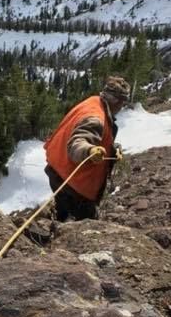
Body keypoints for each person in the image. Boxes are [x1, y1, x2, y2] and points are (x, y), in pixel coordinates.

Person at [43, 76, 131, 223]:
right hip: (74, 184)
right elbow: (77, 144)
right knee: (86, 223)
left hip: (58, 171)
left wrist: (112, 150)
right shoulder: (96, 118)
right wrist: (89, 151)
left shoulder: (93, 102)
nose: (122, 107)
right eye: (122, 103)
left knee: (62, 213)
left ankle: (56, 226)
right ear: (117, 102)